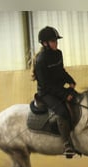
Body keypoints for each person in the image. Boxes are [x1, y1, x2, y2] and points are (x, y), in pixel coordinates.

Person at [32, 26, 77, 158]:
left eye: (56, 40)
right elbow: (46, 85)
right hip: (46, 93)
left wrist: (70, 80)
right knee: (62, 112)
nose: (56, 43)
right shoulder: (40, 60)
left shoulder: (58, 54)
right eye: (53, 41)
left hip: (58, 88)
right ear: (45, 43)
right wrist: (64, 95)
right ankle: (67, 145)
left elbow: (61, 71)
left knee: (78, 100)